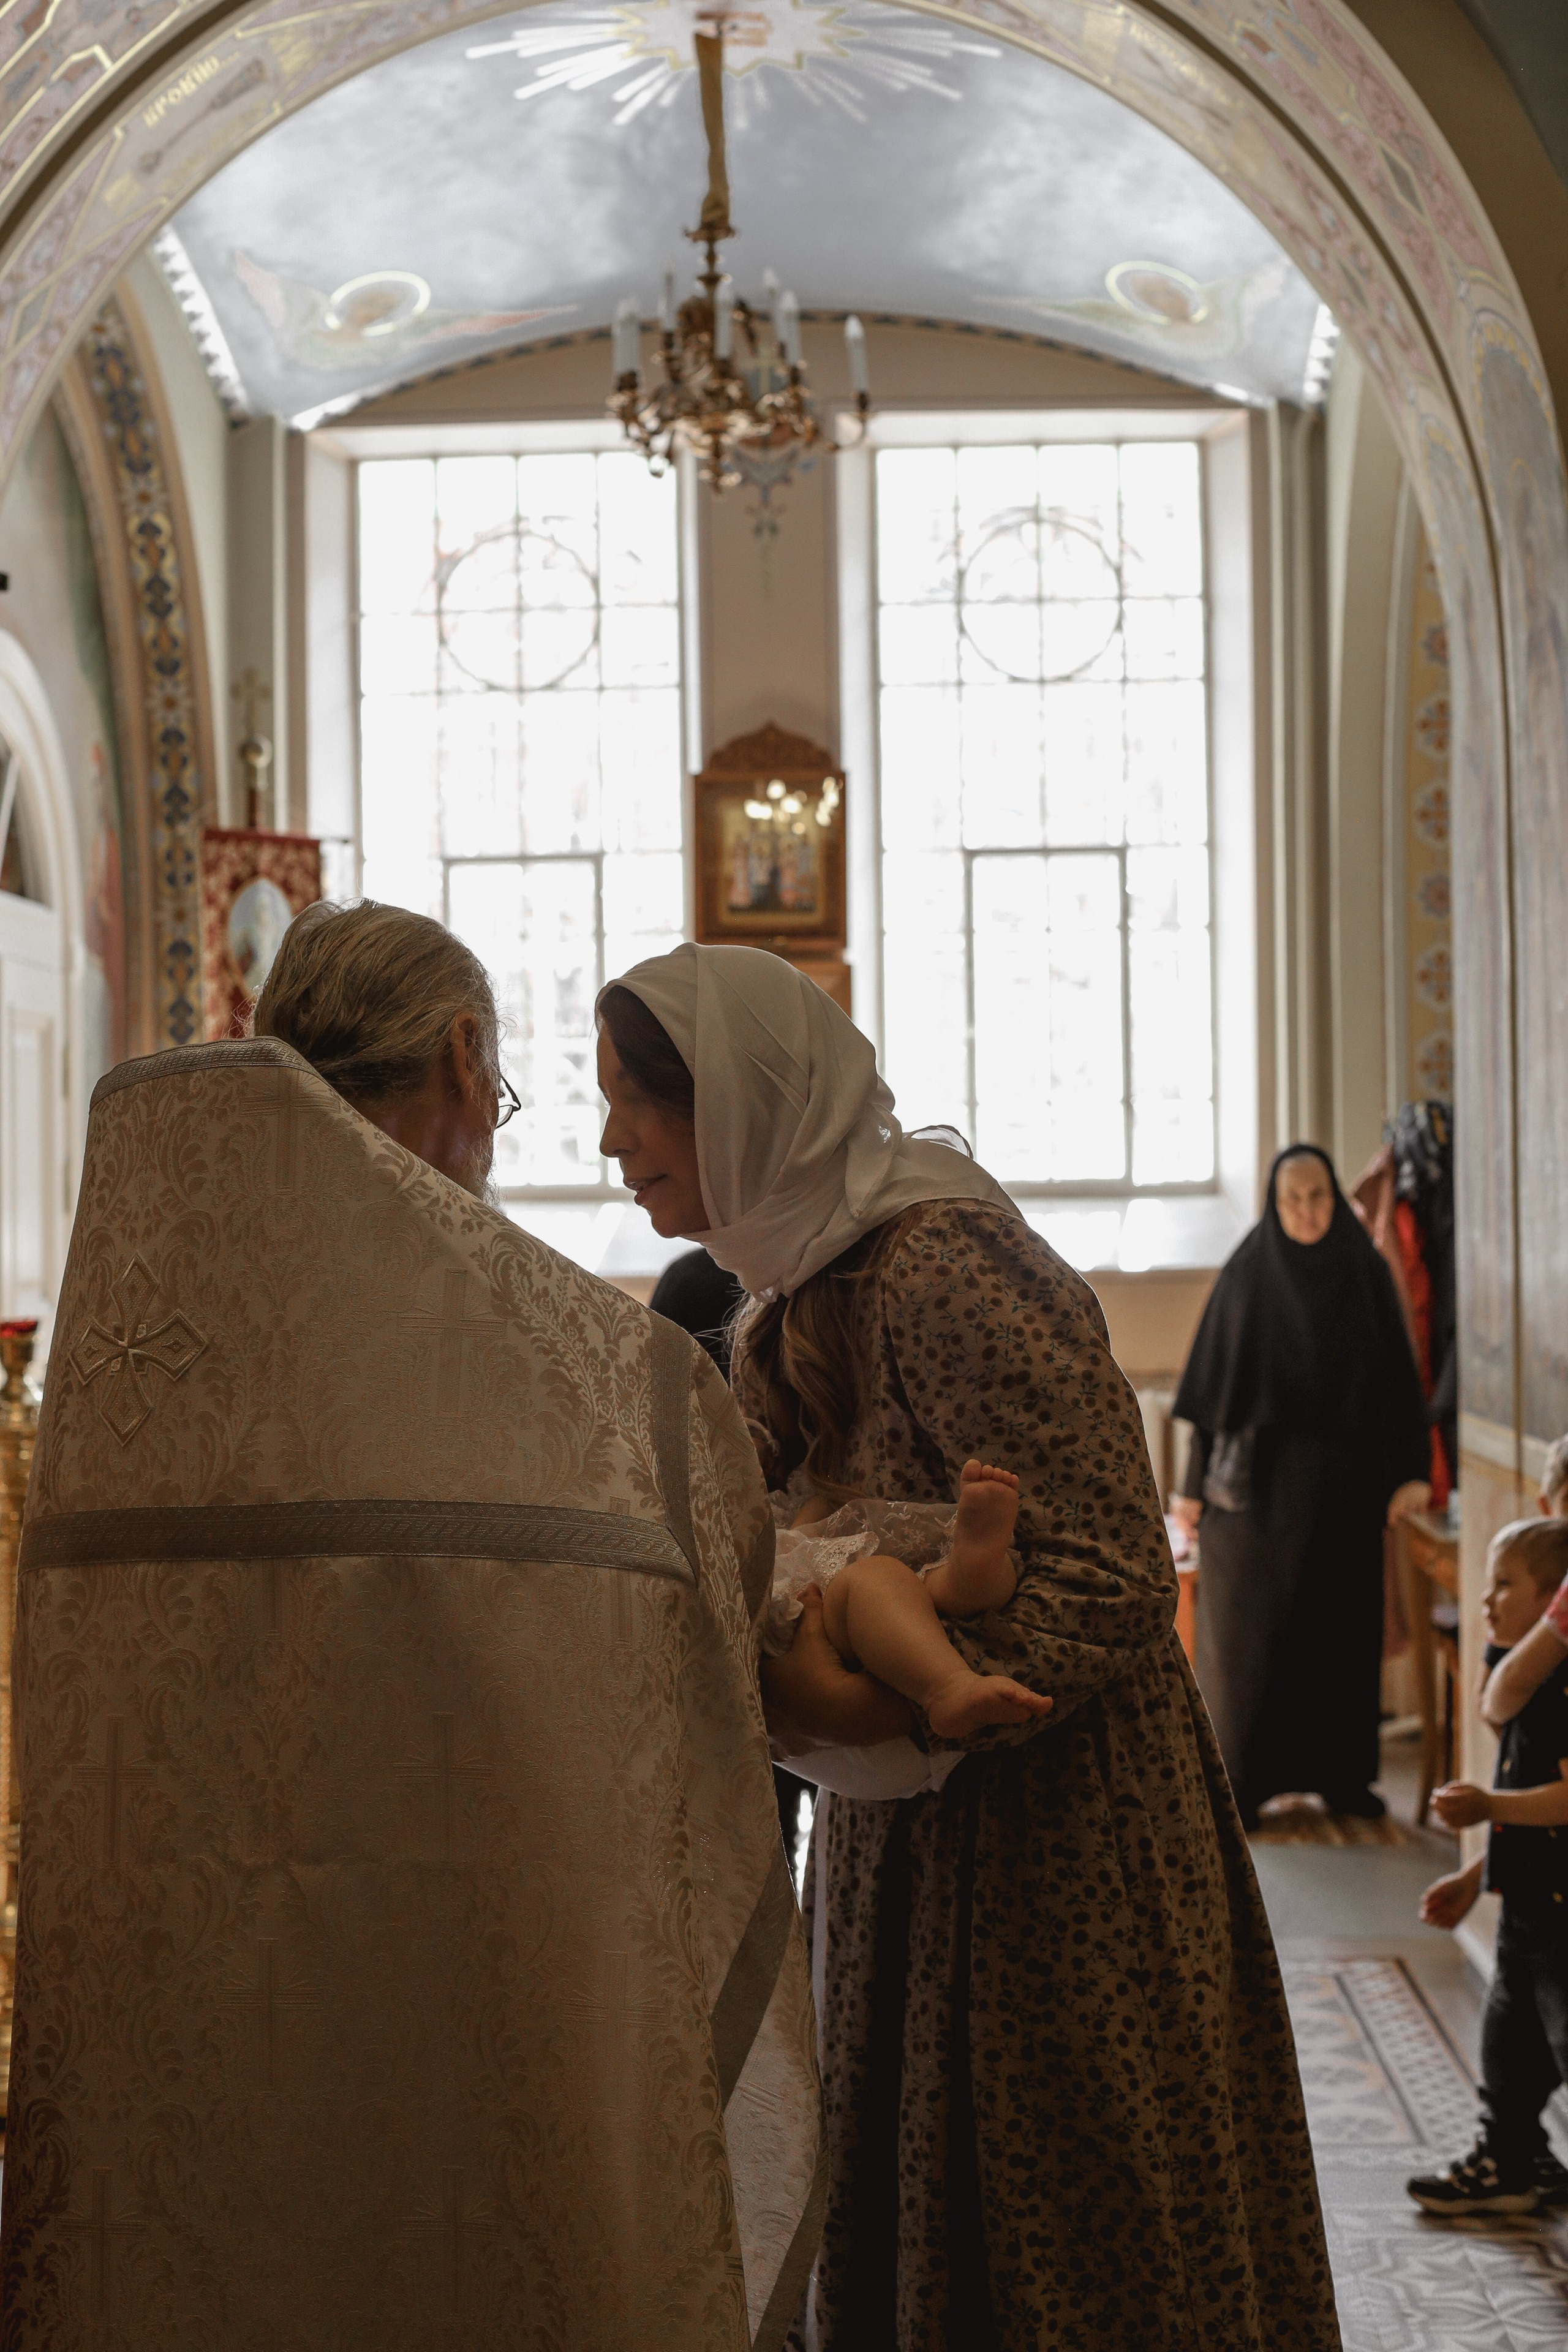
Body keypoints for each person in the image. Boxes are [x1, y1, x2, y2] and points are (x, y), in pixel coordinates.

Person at [1, 902, 823, 2352]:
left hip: (206, 2032)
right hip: (478, 2022)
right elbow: (702, 1619)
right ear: (460, 1057)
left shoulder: (140, 1354)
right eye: (498, 1096)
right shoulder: (594, 1377)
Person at [597, 942, 1340, 2352]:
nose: (608, 1140)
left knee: (1070, 2224)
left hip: (1054, 1835)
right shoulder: (789, 1291)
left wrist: (892, 1693)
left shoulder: (937, 1262)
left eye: (635, 1102)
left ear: (740, 1101)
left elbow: (1113, 1572)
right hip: (905, 1838)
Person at [1170, 1145, 1432, 1825]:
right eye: (1293, 1199)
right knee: (1250, 1646)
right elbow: (1212, 1401)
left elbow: (1400, 1384)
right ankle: (1245, 1777)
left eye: (1317, 1196)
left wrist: (1412, 1472)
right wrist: (1191, 1490)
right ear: (1274, 1203)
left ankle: (1342, 1778)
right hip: (1251, 1501)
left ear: (1333, 1197)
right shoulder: (1247, 1273)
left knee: (1339, 1637)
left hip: (1344, 1493)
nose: (1307, 1211)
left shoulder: (1364, 1272)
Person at [1408, 1516, 1568, 2214]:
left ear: (1554, 1600)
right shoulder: (1527, 1682)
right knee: (1510, 2045)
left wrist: (1488, 1805)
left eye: (1504, 1585)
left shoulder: (1558, 1690)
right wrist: (1476, 1878)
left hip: (1560, 1914)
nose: (1485, 1599)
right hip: (1528, 1906)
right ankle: (1511, 2158)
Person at [769, 1459, 1049, 1738]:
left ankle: (968, 1578)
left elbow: (812, 1510)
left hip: (809, 1580)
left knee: (908, 1585)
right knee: (876, 1578)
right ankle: (947, 1686)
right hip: (798, 1617)